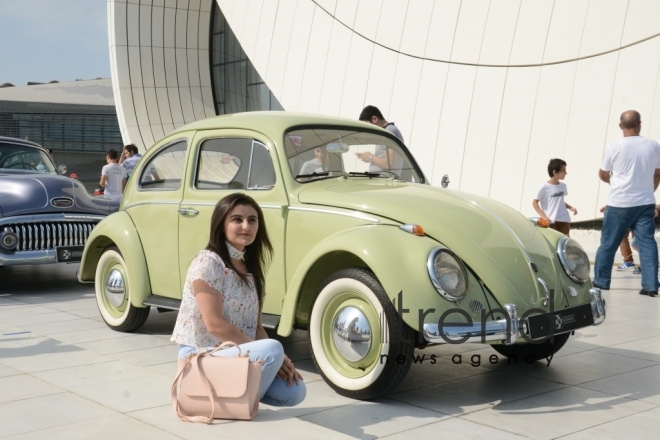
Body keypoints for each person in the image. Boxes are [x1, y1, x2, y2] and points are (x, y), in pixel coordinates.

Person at [171, 193, 306, 406]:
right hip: (202, 355)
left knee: (294, 391)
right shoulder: (208, 262)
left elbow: (258, 327)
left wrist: (281, 360)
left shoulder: (251, 271)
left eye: (252, 220)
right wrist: (268, 354)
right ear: (221, 224)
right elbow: (214, 325)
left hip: (237, 355)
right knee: (273, 349)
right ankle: (235, 403)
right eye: (237, 219)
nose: (246, 225)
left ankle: (231, 401)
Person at [594, 110, 660, 297]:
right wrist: (648, 189)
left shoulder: (614, 147)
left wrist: (613, 182)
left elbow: (603, 173)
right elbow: (657, 174)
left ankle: (601, 282)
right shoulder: (654, 146)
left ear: (620, 126)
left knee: (608, 243)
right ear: (640, 123)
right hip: (645, 202)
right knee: (647, 244)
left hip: (619, 203)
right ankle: (650, 286)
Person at [532, 158, 578, 236]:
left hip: (564, 219)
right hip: (550, 220)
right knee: (553, 243)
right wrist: (544, 217)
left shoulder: (563, 186)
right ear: (555, 172)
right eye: (563, 170)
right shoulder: (544, 187)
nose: (566, 173)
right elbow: (534, 203)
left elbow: (559, 201)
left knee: (564, 242)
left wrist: (570, 207)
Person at [356, 105, 404, 175]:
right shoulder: (386, 131)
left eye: (367, 126)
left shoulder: (389, 131)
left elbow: (390, 165)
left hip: (384, 182)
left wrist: (370, 157)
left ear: (375, 119)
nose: (368, 130)